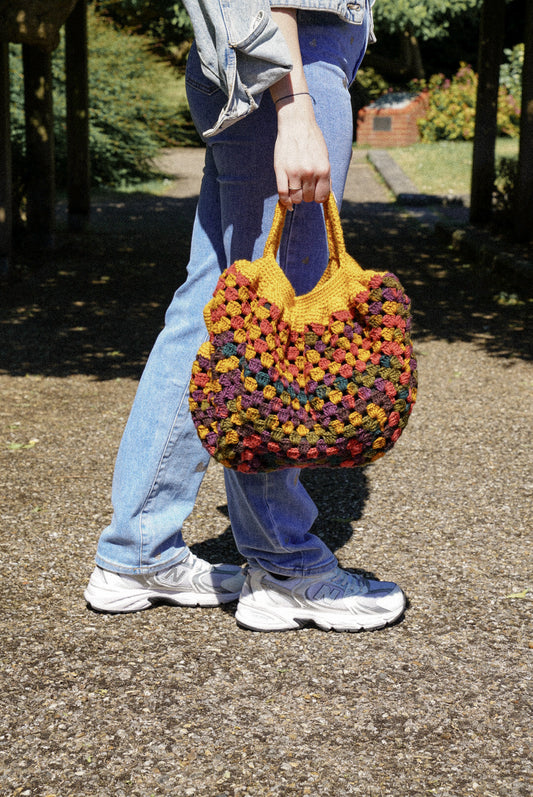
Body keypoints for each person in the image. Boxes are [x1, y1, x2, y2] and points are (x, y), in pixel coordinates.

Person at [84, 0, 406, 632]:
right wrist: (297, 108)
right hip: (287, 65)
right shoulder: (294, 86)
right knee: (277, 331)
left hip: (251, 62)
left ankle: (138, 551)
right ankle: (285, 567)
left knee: (214, 310)